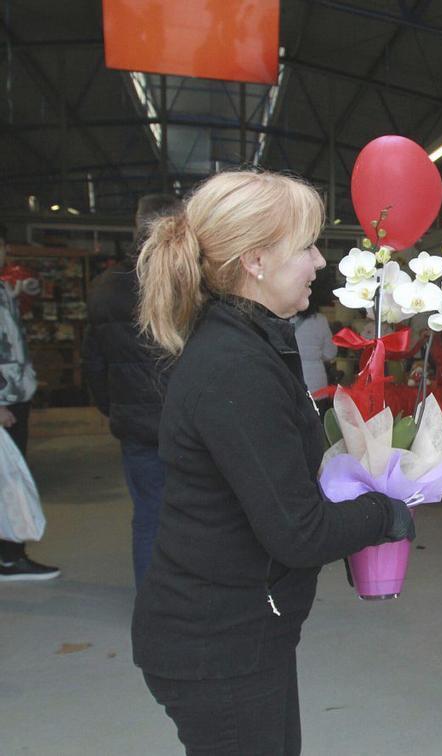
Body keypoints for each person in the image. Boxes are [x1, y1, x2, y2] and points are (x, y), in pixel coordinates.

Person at [130, 170, 416, 755]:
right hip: (219, 645)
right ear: (256, 260)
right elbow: (299, 532)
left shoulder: (245, 343)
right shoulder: (235, 366)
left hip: (238, 634)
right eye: (307, 246)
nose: (319, 262)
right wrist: (384, 514)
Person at [83, 194, 181, 587]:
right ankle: (188, 599)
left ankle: (151, 601)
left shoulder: (106, 287)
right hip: (187, 423)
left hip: (136, 424)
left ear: (136, 226)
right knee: (200, 515)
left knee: (148, 515)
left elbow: (93, 360)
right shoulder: (190, 282)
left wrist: (111, 406)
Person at [0, 224, 60, 581]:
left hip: (16, 396)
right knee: (8, 482)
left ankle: (10, 554)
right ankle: (10, 558)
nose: (4, 253)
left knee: (13, 477)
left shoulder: (5, 290)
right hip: (4, 401)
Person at [288, 289, 337, 408]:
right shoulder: (320, 320)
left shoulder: (286, 321)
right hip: (317, 381)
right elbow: (331, 352)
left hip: (293, 378)